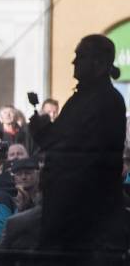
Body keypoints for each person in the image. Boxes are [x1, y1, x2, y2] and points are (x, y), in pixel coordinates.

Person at [29, 34, 127, 253]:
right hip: (70, 208)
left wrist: (47, 136)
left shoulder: (106, 100)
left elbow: (80, 151)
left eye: (80, 56)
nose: (74, 62)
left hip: (84, 213)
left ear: (99, 63)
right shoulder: (82, 99)